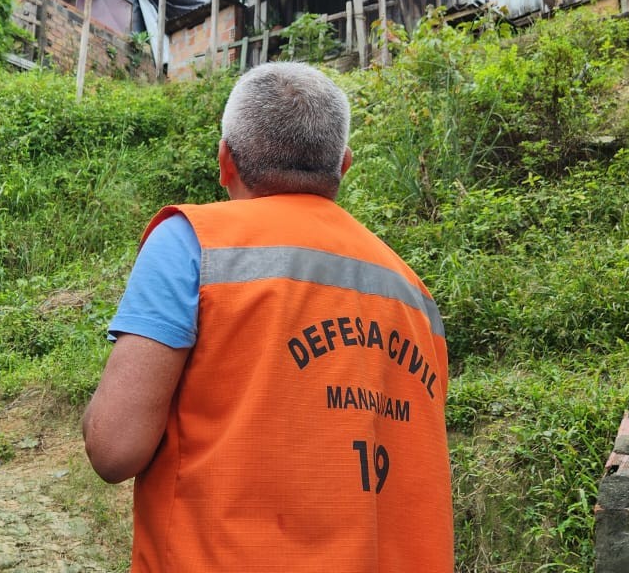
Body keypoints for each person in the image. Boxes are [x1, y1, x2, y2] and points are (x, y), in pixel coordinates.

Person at [82, 62, 452, 572]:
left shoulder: (193, 243)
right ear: (343, 167)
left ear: (225, 161)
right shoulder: (414, 294)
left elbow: (114, 449)